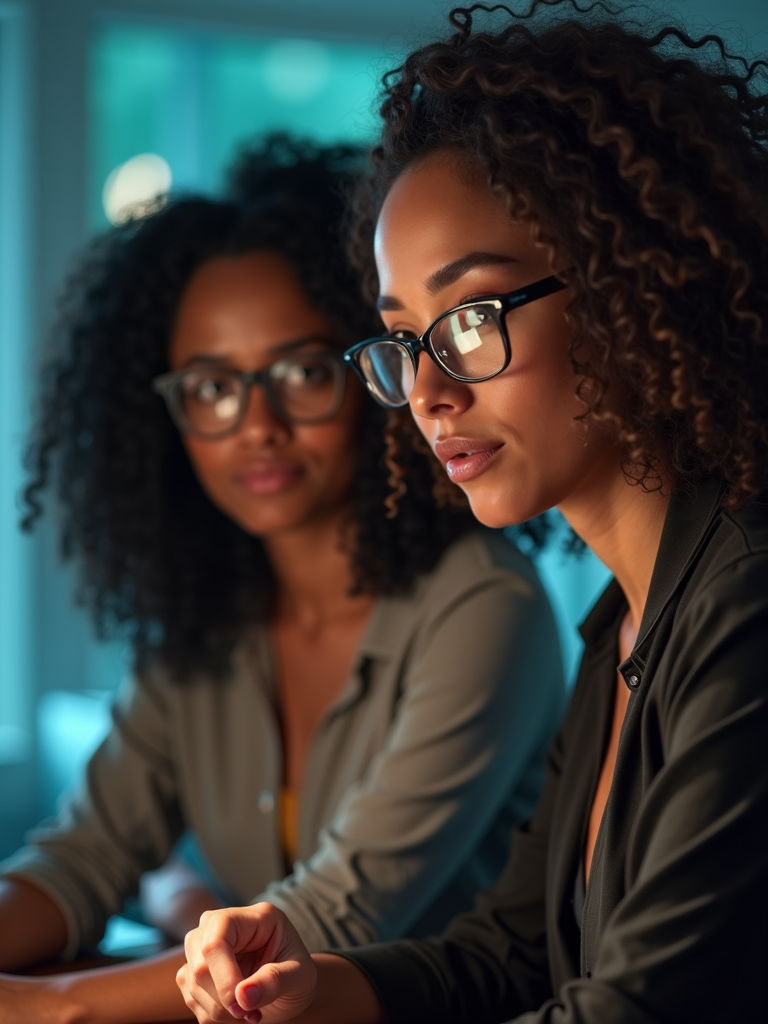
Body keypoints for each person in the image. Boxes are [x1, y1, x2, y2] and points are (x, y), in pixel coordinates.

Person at [172, 6, 768, 1024]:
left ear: (629, 288)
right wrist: (321, 985)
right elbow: (520, 946)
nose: (427, 392)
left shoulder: (746, 608)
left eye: (472, 317)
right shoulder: (616, 630)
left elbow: (637, 1008)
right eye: (406, 339)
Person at [0, 137, 564, 1021]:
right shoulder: (200, 624)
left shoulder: (482, 605)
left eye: (300, 372)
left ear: (380, 368)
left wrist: (47, 1007)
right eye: (212, 388)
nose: (254, 425)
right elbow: (84, 860)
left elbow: (331, 921)